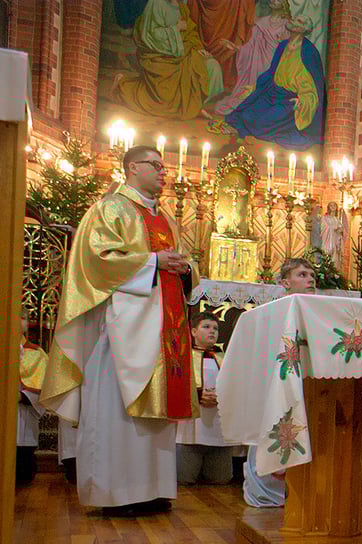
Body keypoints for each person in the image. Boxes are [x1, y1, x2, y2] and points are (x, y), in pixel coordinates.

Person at [41, 145, 197, 516]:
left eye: (164, 166)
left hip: (163, 323)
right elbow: (95, 260)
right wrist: (154, 261)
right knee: (117, 408)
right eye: (155, 165)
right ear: (131, 168)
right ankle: (116, 494)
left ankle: (153, 490)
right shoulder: (111, 208)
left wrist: (185, 269)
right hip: (124, 326)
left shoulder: (165, 217)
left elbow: (181, 263)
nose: (164, 172)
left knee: (156, 413)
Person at [241, 257, 315, 507]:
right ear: (285, 282)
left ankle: (301, 492)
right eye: (302, 274)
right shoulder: (274, 311)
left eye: (311, 275)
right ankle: (268, 489)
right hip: (278, 385)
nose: (310, 279)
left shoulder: (317, 310)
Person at [216, 18, 325, 149]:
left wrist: (302, 101)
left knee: (261, 123)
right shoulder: (283, 45)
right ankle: (239, 129)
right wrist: (254, 87)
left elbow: (314, 86)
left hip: (290, 100)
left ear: (305, 29)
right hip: (272, 91)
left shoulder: (309, 52)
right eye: (295, 20)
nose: (295, 22)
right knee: (246, 114)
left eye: (300, 22)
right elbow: (272, 71)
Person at [113, 0, 225, 121]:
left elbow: (190, 32)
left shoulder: (181, 7)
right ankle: (122, 85)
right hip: (160, 55)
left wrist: (198, 48)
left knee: (212, 67)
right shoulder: (156, 4)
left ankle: (195, 105)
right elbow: (149, 35)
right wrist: (175, 28)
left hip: (183, 52)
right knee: (164, 99)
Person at [177, 313, 235, 485]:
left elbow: (236, 386)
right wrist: (198, 395)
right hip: (189, 430)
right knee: (183, 481)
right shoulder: (183, 356)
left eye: (215, 328)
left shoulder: (225, 358)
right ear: (193, 331)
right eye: (206, 327)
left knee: (221, 481)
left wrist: (221, 397)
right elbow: (174, 386)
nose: (212, 332)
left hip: (219, 430)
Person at [17, 311, 48, 486]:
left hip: (24, 415)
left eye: (23, 317)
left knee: (23, 472)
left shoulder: (36, 353)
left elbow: (43, 390)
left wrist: (22, 396)